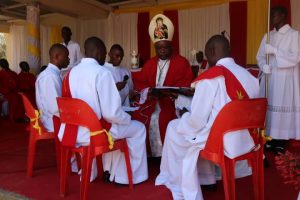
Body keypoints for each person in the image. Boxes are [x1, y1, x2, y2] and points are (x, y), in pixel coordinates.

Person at [155, 35, 259, 200]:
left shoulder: (211, 78)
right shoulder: (250, 77)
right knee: (198, 131)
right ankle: (206, 178)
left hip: (222, 141)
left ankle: (178, 182)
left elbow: (196, 121)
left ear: (211, 51)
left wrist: (185, 116)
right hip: (247, 139)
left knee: (175, 128)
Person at [58, 37, 148, 184]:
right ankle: (125, 177)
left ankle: (107, 171)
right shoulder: (102, 73)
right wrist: (127, 118)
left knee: (115, 127)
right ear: (99, 52)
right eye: (105, 53)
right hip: (95, 134)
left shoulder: (70, 74)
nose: (105, 58)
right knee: (138, 128)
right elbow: (111, 114)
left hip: (73, 132)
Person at [133, 14, 193, 157]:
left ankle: (166, 156)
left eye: (165, 47)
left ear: (171, 45)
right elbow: (141, 83)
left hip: (172, 103)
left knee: (164, 119)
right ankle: (150, 155)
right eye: (158, 48)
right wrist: (150, 91)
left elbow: (186, 83)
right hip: (152, 102)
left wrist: (169, 92)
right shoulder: (149, 64)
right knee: (139, 118)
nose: (162, 51)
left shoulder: (181, 62)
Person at [256, 5, 300, 152]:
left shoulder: (294, 35)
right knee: (270, 105)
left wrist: (275, 50)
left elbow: (295, 57)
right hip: (270, 76)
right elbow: (260, 56)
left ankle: (281, 140)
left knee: (282, 104)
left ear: (282, 16)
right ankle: (270, 137)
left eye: (274, 15)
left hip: (285, 78)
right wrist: (263, 66)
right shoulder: (268, 36)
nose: (271, 19)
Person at [35, 44, 69, 132]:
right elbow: (55, 108)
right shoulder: (50, 76)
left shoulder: (52, 74)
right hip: (52, 121)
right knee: (87, 126)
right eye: (66, 56)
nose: (69, 59)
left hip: (51, 117)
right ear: (57, 56)